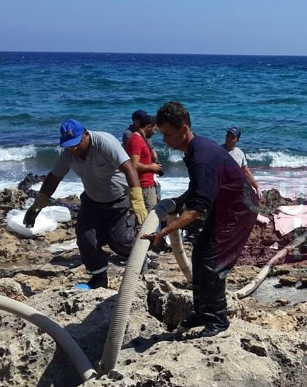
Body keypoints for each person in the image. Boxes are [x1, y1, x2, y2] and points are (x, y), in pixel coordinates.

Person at [144, 101, 258, 337]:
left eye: (168, 135)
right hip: (224, 204)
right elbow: (200, 187)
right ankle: (203, 313)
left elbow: (196, 210)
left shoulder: (201, 157)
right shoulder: (195, 149)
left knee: (212, 262)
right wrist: (181, 200)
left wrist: (163, 232)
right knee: (200, 254)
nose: (164, 140)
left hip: (239, 209)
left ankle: (218, 320)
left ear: (184, 130)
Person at [24, 119, 147, 289]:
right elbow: (53, 178)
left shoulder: (105, 143)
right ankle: (99, 278)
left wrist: (137, 201)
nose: (73, 149)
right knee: (86, 240)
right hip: (92, 201)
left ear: (86, 135)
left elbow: (129, 168)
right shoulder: (68, 153)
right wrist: (38, 204)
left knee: (120, 241)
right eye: (69, 145)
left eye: (76, 144)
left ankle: (142, 259)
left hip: (119, 200)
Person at [125, 114, 162, 210]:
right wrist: (152, 167)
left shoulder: (140, 139)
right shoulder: (136, 140)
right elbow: (134, 165)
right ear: (148, 126)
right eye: (155, 129)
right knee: (149, 216)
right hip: (143, 186)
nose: (155, 132)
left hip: (147, 184)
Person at [222, 126, 260, 197]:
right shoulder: (218, 150)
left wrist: (257, 187)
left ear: (237, 140)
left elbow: (246, 172)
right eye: (228, 136)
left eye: (232, 137)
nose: (229, 139)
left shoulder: (240, 154)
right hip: (221, 186)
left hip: (234, 187)